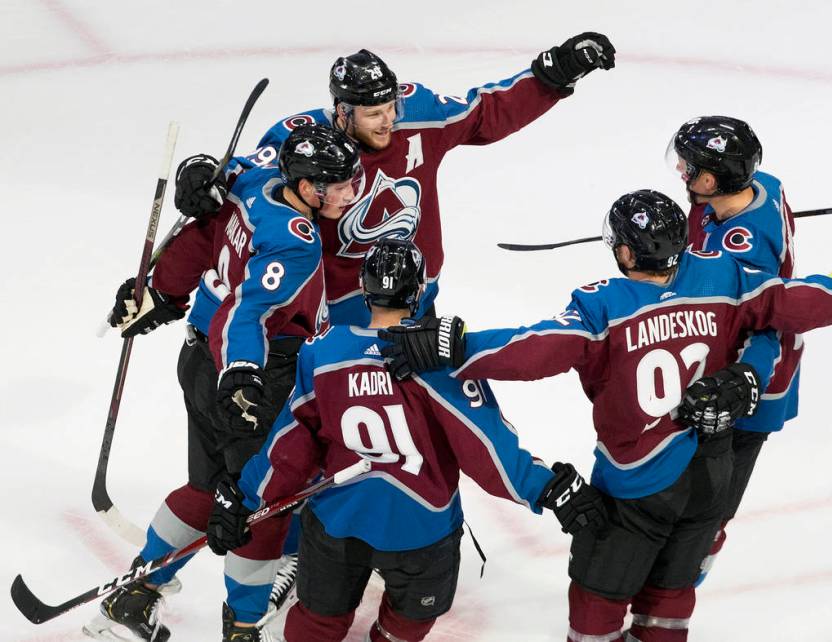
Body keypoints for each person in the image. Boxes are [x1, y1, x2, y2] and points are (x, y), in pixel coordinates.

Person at [378, 190, 832, 641]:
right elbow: (788, 301)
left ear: (626, 250)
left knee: (598, 592)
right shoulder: (725, 274)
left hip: (637, 481)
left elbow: (538, 349)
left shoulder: (606, 305)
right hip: (711, 472)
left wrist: (458, 345)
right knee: (672, 589)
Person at [206, 237, 607, 641]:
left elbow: (291, 445)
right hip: (420, 527)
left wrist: (245, 496)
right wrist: (549, 489)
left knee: (317, 621)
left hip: (337, 519)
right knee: (408, 624)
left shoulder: (323, 352)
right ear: (418, 291)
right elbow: (488, 450)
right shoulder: (438, 363)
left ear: (364, 288)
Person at [84, 125, 362, 642]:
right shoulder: (297, 243)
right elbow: (247, 317)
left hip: (199, 360)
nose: (353, 193)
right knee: (260, 507)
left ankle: (133, 597)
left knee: (209, 488)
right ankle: (243, 629)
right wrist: (243, 378)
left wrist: (196, 175)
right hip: (253, 379)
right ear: (307, 188)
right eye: (341, 185)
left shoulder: (255, 180)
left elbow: (209, 195)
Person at [174, 34, 616, 326]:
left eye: (390, 108)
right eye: (373, 114)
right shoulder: (303, 140)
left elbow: (485, 113)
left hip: (415, 296)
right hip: (339, 312)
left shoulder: (415, 113)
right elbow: (252, 182)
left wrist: (554, 71)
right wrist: (204, 174)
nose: (388, 121)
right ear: (342, 111)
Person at [665, 115, 832, 588]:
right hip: (720, 362)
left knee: (714, 495)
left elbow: (760, 319)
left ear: (712, 179)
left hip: (750, 377)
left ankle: (693, 562)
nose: (682, 172)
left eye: (689, 168)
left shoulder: (739, 248)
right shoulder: (764, 185)